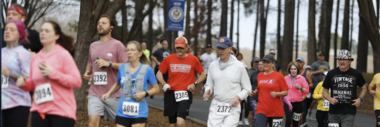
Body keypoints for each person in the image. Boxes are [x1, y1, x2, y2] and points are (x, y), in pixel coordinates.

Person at [16, 21, 81, 127]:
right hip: (39, 111)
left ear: (57, 36)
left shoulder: (63, 55)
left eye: (47, 31)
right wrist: (24, 83)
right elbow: (33, 84)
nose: (42, 33)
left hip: (61, 111)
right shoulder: (36, 58)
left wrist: (53, 73)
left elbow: (77, 81)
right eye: (41, 30)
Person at [83, 15, 128, 127]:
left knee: (116, 125)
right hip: (95, 92)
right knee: (92, 124)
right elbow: (90, 63)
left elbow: (127, 66)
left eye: (104, 23)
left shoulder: (118, 45)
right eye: (99, 23)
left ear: (111, 28)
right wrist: (87, 73)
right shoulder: (93, 46)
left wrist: (110, 64)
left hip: (113, 94)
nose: (100, 25)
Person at [101, 41, 160, 127]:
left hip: (140, 112)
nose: (129, 52)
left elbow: (156, 89)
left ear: (140, 54)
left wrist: (144, 93)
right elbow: (118, 84)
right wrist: (108, 93)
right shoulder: (122, 67)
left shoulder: (147, 69)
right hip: (122, 111)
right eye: (127, 50)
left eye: (132, 50)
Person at [156, 36, 206, 127]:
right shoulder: (168, 58)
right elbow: (159, 73)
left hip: (185, 94)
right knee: (173, 124)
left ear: (187, 47)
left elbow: (203, 74)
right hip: (170, 93)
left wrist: (195, 84)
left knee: (180, 122)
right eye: (177, 47)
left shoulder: (193, 59)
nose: (179, 49)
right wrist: (164, 84)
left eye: (181, 47)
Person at [203, 37, 251, 126]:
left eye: (223, 48)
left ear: (230, 49)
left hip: (232, 106)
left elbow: (247, 88)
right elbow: (209, 84)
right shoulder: (213, 65)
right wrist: (208, 90)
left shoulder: (239, 66)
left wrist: (238, 97)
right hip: (216, 105)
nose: (220, 51)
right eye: (219, 48)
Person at [322, 49, 367, 127]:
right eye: (340, 59)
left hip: (349, 111)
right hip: (334, 111)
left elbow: (364, 88)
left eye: (344, 59)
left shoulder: (357, 74)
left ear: (350, 61)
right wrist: (330, 99)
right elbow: (324, 91)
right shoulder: (331, 73)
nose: (342, 61)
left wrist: (360, 99)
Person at [2, 20, 32, 127]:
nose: (7, 32)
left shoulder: (24, 54)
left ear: (20, 34)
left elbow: (29, 80)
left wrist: (9, 73)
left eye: (12, 30)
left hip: (18, 104)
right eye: (6, 29)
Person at [251, 54, 289, 127]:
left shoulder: (279, 76)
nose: (265, 64)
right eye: (264, 62)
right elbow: (260, 88)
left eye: (267, 62)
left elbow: (286, 92)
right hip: (262, 109)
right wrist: (255, 92)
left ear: (273, 64)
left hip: (276, 111)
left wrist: (277, 94)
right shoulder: (260, 75)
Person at [284, 62, 309, 127]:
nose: (293, 71)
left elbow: (307, 91)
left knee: (295, 123)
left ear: (297, 70)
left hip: (298, 103)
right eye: (291, 69)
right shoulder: (285, 78)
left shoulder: (302, 78)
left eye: (295, 69)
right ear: (289, 70)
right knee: (288, 120)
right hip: (288, 103)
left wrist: (300, 88)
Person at [295, 57, 314, 127]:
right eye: (297, 62)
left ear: (303, 64)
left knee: (303, 111)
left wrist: (303, 87)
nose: (299, 64)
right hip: (294, 95)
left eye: (300, 62)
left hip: (304, 95)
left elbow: (311, 84)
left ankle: (303, 123)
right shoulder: (293, 71)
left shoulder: (307, 72)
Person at [249, 60, 264, 127]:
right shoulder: (254, 74)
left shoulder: (266, 74)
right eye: (259, 64)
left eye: (262, 64)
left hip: (263, 98)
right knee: (256, 114)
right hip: (253, 98)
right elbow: (250, 84)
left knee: (261, 115)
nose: (260, 66)